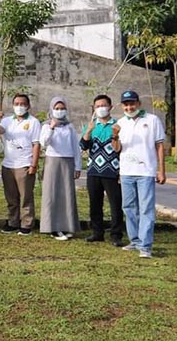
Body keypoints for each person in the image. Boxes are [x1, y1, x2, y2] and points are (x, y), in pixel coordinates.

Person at [113, 90, 166, 259]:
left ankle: (145, 246)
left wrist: (161, 170)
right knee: (129, 207)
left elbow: (159, 146)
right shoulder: (120, 123)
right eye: (126, 104)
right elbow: (117, 149)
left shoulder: (152, 120)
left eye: (132, 103)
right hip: (126, 171)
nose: (129, 107)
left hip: (146, 171)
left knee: (146, 209)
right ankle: (135, 240)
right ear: (122, 106)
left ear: (138, 104)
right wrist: (114, 136)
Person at [79, 94, 124, 246]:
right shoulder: (91, 126)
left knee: (115, 204)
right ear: (94, 108)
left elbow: (119, 149)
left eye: (103, 105)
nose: (101, 108)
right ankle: (97, 233)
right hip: (93, 170)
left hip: (112, 171)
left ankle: (116, 235)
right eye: (98, 106)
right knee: (95, 203)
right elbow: (83, 146)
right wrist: (88, 131)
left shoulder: (117, 125)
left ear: (110, 107)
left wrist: (116, 136)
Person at [0, 94, 42, 235]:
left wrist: (33, 165)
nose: (19, 106)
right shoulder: (7, 121)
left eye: (22, 104)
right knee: (11, 197)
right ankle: (12, 222)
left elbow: (36, 144)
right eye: (16, 104)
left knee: (26, 196)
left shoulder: (33, 122)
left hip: (25, 164)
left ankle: (27, 223)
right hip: (8, 164)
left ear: (28, 106)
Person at [38, 97, 82, 240]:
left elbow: (75, 147)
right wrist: (51, 127)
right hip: (52, 161)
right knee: (52, 194)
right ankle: (53, 227)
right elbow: (44, 143)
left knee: (67, 195)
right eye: (56, 108)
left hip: (67, 161)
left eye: (62, 108)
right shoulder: (46, 125)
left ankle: (66, 226)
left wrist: (78, 166)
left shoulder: (69, 126)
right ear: (51, 109)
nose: (59, 111)